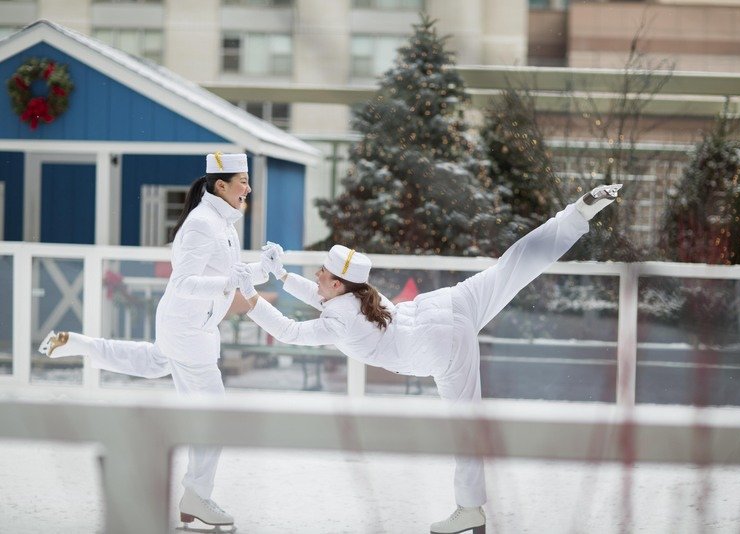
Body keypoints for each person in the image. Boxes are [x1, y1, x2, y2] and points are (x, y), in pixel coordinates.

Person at [234, 184, 623, 534]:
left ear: (337, 284)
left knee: (465, 423)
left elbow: (288, 330)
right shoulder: (359, 294)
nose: (316, 278)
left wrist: (249, 297)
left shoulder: (338, 318)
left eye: (320, 274)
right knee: (512, 266)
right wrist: (281, 276)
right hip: (451, 303)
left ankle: (470, 509)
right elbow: (321, 296)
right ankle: (575, 215)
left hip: (437, 345)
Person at [38, 152, 270, 531]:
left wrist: (266, 269)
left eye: (247, 180)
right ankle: (196, 493)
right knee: (215, 415)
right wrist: (231, 282)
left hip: (191, 328)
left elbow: (230, 275)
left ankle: (78, 344)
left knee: (152, 363)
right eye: (242, 180)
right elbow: (186, 282)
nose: (249, 187)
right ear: (221, 185)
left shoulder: (222, 223)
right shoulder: (202, 224)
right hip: (189, 330)